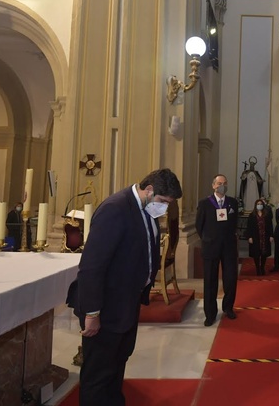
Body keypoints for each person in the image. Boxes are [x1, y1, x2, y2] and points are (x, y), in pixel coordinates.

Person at [66, 169, 182, 406]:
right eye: (163, 201)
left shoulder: (146, 210)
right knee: (98, 374)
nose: (164, 208)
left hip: (126, 302)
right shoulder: (116, 209)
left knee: (117, 364)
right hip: (106, 306)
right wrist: (92, 312)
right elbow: (92, 267)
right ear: (149, 190)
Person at [195, 174, 239, 326]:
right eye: (220, 183)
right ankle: (210, 313)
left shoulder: (233, 203)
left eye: (225, 183)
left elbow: (235, 224)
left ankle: (228, 308)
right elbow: (199, 226)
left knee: (230, 279)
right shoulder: (205, 203)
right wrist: (208, 238)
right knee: (210, 281)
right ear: (213, 185)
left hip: (229, 247)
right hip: (211, 247)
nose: (223, 185)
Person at [245, 198, 274, 276]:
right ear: (255, 205)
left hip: (265, 236)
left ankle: (262, 267)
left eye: (261, 204)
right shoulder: (252, 215)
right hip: (255, 236)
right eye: (258, 204)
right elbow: (249, 227)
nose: (259, 205)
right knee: (256, 253)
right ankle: (257, 268)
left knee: (264, 253)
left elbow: (270, 226)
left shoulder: (267, 214)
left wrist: (271, 235)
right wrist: (249, 237)